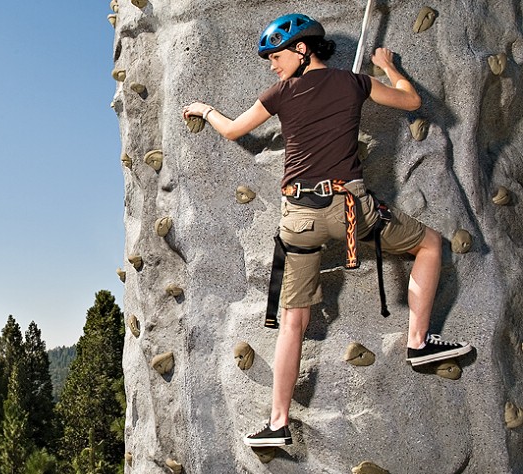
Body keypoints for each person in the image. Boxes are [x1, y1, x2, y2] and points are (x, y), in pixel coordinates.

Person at [180, 13, 473, 447]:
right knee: (429, 244)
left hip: (298, 218)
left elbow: (234, 130)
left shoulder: (279, 94)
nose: (272, 65)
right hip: (352, 209)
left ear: (302, 50)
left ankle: (277, 425)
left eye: (276, 56)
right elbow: (411, 102)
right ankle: (418, 343)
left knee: (292, 322)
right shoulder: (352, 83)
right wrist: (388, 66)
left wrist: (204, 109)